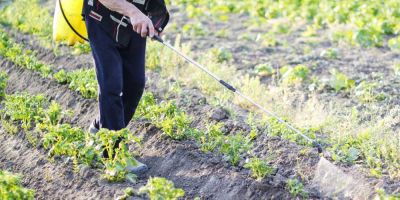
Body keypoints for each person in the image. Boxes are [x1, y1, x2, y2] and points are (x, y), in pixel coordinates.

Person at [82, 0, 167, 175]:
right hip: (101, 19)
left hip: (132, 24)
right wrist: (134, 13)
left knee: (135, 84)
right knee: (111, 85)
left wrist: (155, 22)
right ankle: (114, 154)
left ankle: (99, 128)